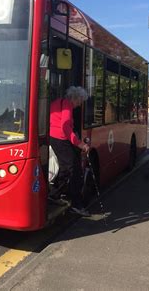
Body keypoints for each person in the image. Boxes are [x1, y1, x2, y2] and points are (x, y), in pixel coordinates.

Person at [49, 86, 91, 217]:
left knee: (66, 167)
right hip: (61, 139)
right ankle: (76, 205)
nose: (80, 104)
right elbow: (65, 127)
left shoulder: (58, 102)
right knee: (74, 170)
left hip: (54, 137)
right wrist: (80, 144)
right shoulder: (67, 105)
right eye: (80, 100)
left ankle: (54, 194)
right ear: (75, 97)